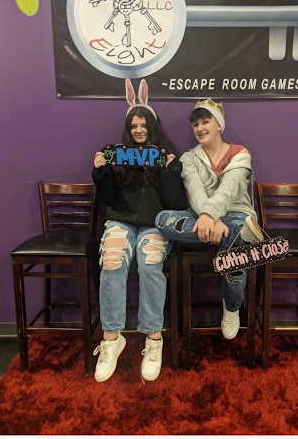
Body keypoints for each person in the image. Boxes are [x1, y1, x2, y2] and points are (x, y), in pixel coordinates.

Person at [92, 79, 187, 383]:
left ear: (153, 127)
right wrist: (102, 173)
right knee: (112, 260)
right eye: (133, 126)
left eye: (144, 125)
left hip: (155, 223)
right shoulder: (118, 155)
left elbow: (176, 204)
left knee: (150, 264)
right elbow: (109, 199)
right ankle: (111, 338)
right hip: (121, 220)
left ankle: (154, 338)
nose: (138, 130)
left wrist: (171, 173)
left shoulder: (167, 156)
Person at [155, 97, 264, 340]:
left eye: (205, 121)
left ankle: (232, 307)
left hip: (237, 214)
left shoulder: (240, 153)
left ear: (219, 125)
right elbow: (195, 194)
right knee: (163, 219)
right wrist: (211, 219)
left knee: (235, 242)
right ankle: (237, 237)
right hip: (201, 217)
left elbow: (229, 189)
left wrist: (211, 217)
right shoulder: (188, 158)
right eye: (196, 124)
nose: (200, 128)